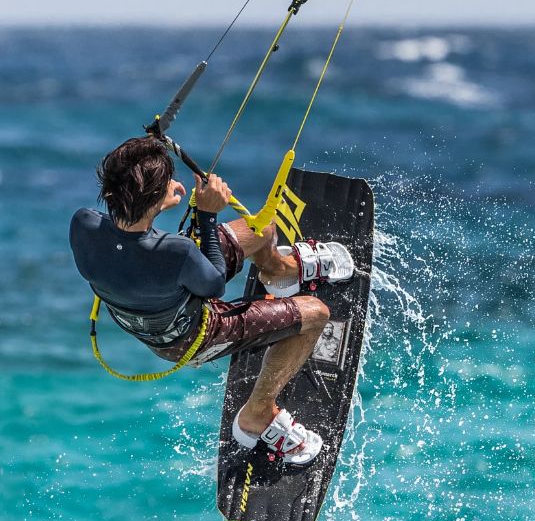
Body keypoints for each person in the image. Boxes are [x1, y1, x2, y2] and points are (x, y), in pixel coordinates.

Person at [70, 136, 340, 464]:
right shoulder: (175, 252)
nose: (175, 185)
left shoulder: (82, 224)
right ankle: (257, 415)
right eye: (167, 184)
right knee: (316, 314)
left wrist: (150, 149)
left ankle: (281, 271)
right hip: (186, 337)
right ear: (154, 200)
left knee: (262, 230)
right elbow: (212, 287)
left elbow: (141, 245)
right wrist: (207, 215)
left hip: (156, 298)